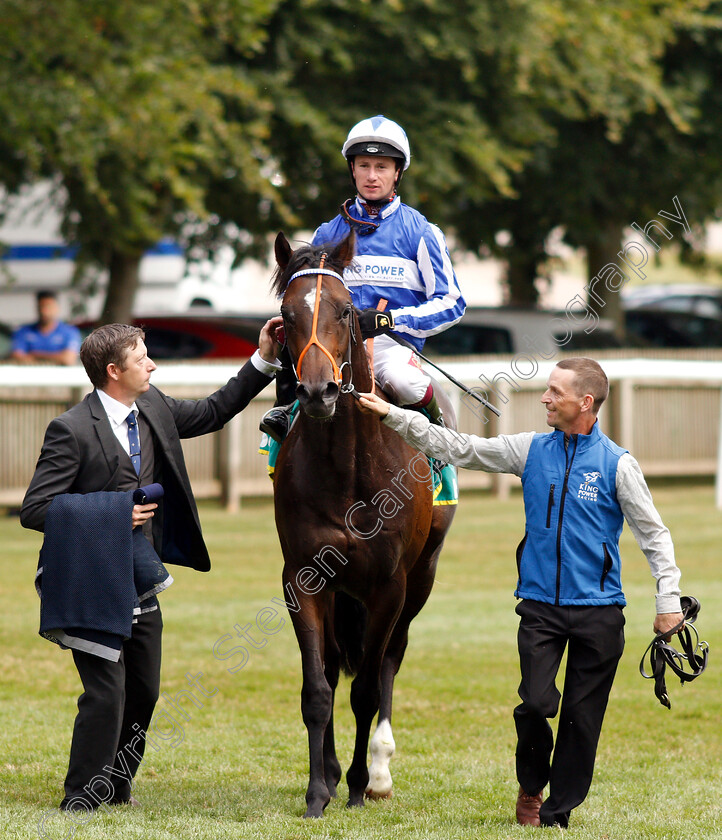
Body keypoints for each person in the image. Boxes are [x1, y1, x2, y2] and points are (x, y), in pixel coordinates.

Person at [358, 357, 684, 829]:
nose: (546, 398)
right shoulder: (528, 449)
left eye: (555, 392)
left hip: (600, 612)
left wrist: (668, 601)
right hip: (540, 609)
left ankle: (555, 812)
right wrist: (395, 416)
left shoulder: (618, 464)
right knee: (534, 704)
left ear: (584, 402)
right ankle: (531, 787)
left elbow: (654, 535)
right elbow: (459, 448)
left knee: (580, 719)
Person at [21, 317, 283, 812]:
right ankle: (82, 794)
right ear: (114, 370)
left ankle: (117, 785)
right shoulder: (70, 429)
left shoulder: (154, 406)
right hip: (88, 575)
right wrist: (116, 511)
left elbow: (213, 411)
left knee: (145, 690)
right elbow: (36, 509)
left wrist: (264, 359)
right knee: (106, 692)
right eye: (143, 358)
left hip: (139, 571)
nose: (153, 364)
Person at [260, 115, 466, 442]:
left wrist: (389, 320)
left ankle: (439, 442)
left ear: (397, 172)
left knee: (404, 383)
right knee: (302, 382)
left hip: (391, 345)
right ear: (352, 169)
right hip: (332, 342)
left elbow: (452, 304)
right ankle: (282, 422)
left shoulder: (423, 232)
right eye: (364, 165)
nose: (372, 176)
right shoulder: (326, 233)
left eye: (381, 167)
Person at [10, 290, 82, 365]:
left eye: (48, 306)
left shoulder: (70, 332)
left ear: (57, 308)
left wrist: (34, 355)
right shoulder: (23, 331)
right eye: (41, 306)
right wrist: (57, 357)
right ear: (37, 308)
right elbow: (17, 357)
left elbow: (68, 360)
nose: (44, 311)